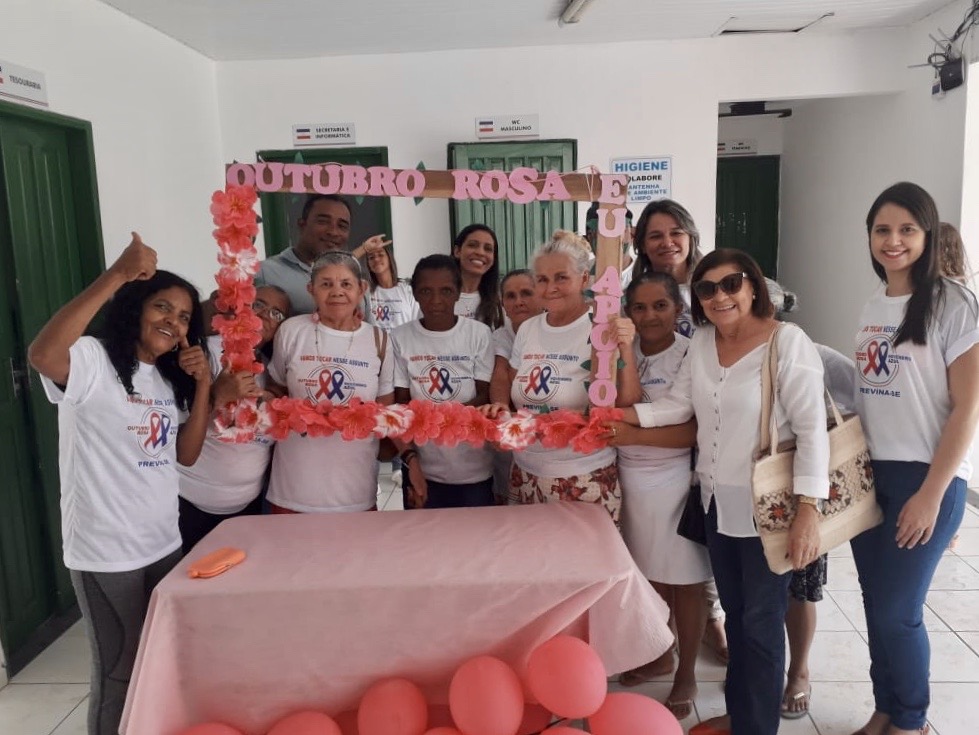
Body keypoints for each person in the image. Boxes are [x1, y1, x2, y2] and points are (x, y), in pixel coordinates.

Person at [618, 248, 830, 735]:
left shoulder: (787, 342)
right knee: (738, 617)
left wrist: (808, 513)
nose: (719, 296)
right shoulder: (703, 342)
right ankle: (742, 717)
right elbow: (675, 404)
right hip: (716, 503)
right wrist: (626, 418)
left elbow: (812, 431)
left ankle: (756, 727)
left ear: (753, 286)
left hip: (771, 509)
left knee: (759, 624)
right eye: (707, 288)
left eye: (730, 283)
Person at [28, 234, 212, 735]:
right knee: (117, 671)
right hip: (107, 550)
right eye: (162, 307)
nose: (172, 323)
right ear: (134, 306)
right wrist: (116, 274)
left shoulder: (164, 379)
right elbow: (43, 354)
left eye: (182, 318)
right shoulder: (91, 360)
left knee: (157, 660)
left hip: (161, 542)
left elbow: (186, 455)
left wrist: (202, 386)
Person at [850, 183, 979, 735]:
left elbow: (968, 409)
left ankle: (911, 721)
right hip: (870, 475)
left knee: (898, 613)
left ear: (927, 234)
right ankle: (886, 708)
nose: (893, 241)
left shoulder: (954, 302)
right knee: (877, 605)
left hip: (926, 477)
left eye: (906, 229)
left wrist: (930, 494)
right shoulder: (875, 302)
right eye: (883, 230)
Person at [606, 272, 709, 720]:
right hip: (627, 477)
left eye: (660, 306)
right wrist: (624, 351)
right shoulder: (612, 353)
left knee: (687, 580)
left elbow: (689, 427)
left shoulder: (693, 352)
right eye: (640, 307)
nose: (649, 316)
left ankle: (686, 671)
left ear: (678, 309)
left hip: (678, 480)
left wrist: (627, 428)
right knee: (648, 575)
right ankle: (658, 651)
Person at [630, 198, 728, 663]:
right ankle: (659, 639)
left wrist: (627, 426)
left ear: (690, 235)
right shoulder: (633, 304)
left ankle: (706, 623)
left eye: (675, 232)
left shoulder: (714, 286)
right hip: (646, 456)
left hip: (699, 439)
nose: (666, 242)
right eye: (655, 235)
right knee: (650, 558)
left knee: (691, 556)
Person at [483, 231, 631, 525]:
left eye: (561, 277)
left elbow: (624, 402)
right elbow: (513, 390)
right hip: (525, 472)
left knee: (586, 568)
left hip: (583, 476)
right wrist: (501, 411)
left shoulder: (602, 328)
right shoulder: (527, 330)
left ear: (584, 280)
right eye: (542, 279)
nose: (551, 287)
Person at [266, 251, 394, 513]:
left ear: (362, 289)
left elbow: (385, 412)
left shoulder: (379, 340)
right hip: (293, 488)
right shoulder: (291, 331)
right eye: (326, 284)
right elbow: (276, 388)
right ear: (311, 289)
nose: (337, 291)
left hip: (355, 487)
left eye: (346, 284)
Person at [176, 285, 292, 553]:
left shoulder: (275, 372)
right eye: (258, 305)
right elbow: (177, 437)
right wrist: (218, 395)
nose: (265, 316)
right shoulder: (206, 354)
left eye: (277, 313)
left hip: (247, 510)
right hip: (189, 505)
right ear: (239, 309)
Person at [392, 255, 495, 508]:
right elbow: (401, 401)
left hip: (474, 468)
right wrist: (411, 457)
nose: (436, 301)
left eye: (446, 291)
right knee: (425, 543)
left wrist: (446, 420)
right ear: (414, 293)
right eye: (426, 291)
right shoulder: (400, 337)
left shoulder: (478, 334)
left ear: (459, 293)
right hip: (423, 468)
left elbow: (486, 394)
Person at [255, 193, 387, 314]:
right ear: (302, 224)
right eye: (323, 221)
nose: (333, 232)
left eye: (342, 226)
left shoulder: (356, 279)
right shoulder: (265, 272)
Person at [489, 268, 544, 502]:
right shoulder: (500, 336)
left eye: (526, 293)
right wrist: (500, 405)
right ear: (503, 303)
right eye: (511, 296)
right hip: (515, 435)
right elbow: (500, 371)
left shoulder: (554, 329)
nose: (519, 301)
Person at [451, 224, 504, 329]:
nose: (480, 252)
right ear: (457, 251)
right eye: (472, 245)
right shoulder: (438, 297)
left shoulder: (499, 302)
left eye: (488, 249)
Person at [362, 239, 419, 331]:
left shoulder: (408, 290)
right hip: (376, 344)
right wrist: (363, 248)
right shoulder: (365, 291)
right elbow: (342, 267)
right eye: (371, 257)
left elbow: (418, 324)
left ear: (389, 257)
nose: (376, 259)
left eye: (380, 255)